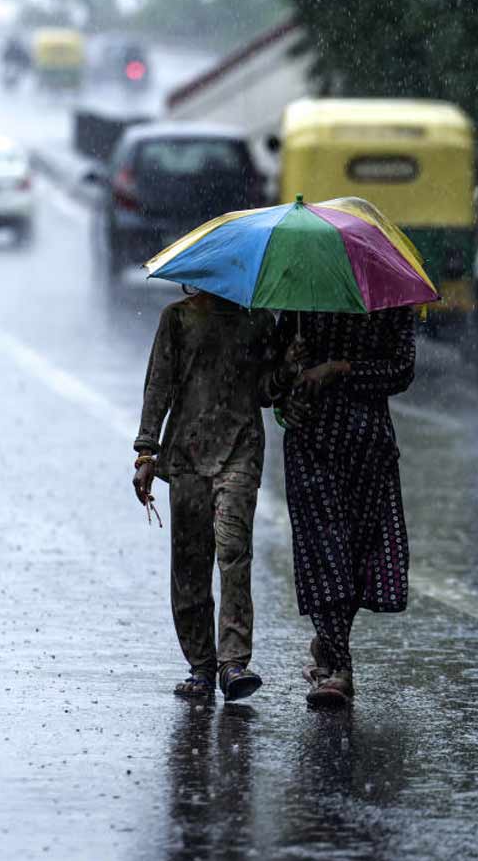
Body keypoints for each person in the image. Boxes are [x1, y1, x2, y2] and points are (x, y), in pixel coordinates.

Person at [133, 289, 303, 702]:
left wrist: (287, 367)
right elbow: (159, 385)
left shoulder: (258, 321)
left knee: (233, 552)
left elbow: (264, 392)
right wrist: (146, 451)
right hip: (187, 456)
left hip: (240, 452)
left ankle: (233, 662)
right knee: (190, 563)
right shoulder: (177, 319)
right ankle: (201, 666)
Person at [274, 307, 415, 708]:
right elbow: (270, 371)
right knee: (324, 552)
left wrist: (340, 369)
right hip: (311, 443)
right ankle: (340, 668)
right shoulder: (303, 298)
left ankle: (329, 645)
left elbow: (402, 371)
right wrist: (289, 370)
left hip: (368, 447)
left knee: (353, 558)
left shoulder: (389, 304)